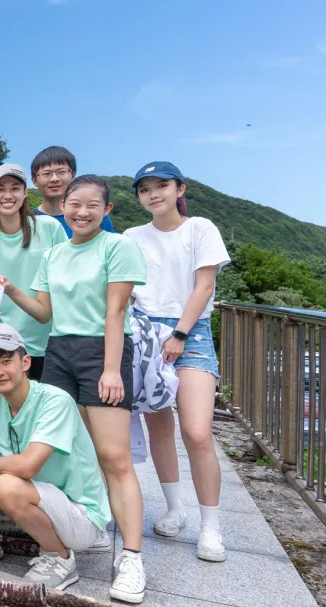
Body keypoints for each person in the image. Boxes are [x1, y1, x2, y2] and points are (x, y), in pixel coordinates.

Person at [0, 174, 150, 604]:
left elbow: (116, 310)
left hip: (103, 349)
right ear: (62, 206)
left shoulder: (117, 247)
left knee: (114, 457)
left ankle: (132, 557)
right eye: (73, 204)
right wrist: (10, 290)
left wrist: (112, 370)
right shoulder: (54, 253)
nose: (81, 212)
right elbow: (44, 313)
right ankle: (68, 550)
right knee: (68, 452)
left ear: (107, 210)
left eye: (91, 205)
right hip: (59, 350)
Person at [124, 161, 231, 563]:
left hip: (192, 332)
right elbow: (127, 286)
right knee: (158, 425)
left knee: (198, 431)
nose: (154, 194)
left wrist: (181, 335)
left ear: (179, 189)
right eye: (145, 189)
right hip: (147, 330)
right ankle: (174, 509)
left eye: (162, 186)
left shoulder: (200, 228)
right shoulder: (133, 236)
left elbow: (204, 285)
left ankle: (211, 526)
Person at [0, 324, 111, 590]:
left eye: (6, 361)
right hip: (42, 493)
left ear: (25, 362)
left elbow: (28, 465)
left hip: (81, 516)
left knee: (7, 485)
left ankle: (59, 558)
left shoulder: (55, 401)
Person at [0, 164, 67, 380]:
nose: (8, 195)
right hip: (5, 346)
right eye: (0, 189)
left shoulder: (49, 227)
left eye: (15, 188)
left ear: (25, 192)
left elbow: (67, 280)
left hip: (52, 343)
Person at [31, 146, 115, 237]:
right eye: (46, 173)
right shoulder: (29, 220)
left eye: (61, 172)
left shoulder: (96, 217)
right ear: (34, 180)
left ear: (73, 174)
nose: (54, 179)